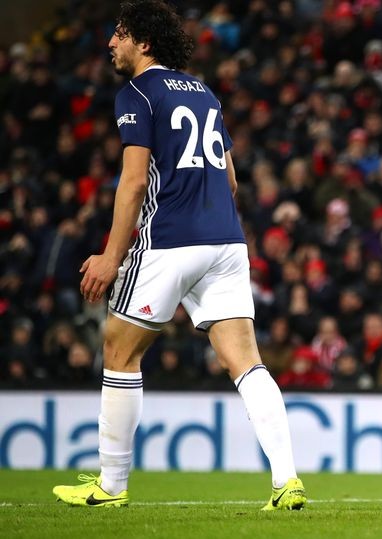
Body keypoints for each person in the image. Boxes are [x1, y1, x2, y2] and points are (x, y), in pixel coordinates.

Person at [52, 0, 305, 511]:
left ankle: (111, 485)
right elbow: (230, 180)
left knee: (120, 352)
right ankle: (287, 481)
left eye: (120, 34)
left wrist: (111, 256)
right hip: (226, 241)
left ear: (144, 43)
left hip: (168, 240)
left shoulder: (137, 93)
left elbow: (133, 181)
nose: (111, 43)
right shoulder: (204, 92)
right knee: (246, 363)